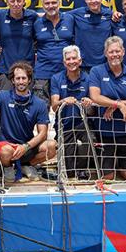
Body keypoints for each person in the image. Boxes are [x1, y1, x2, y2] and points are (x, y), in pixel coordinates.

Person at [0, 61, 56, 182]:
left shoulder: (39, 103)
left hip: (27, 145)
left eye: (24, 78)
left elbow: (42, 134)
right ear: (12, 80)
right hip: (6, 145)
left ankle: (26, 165)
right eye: (17, 78)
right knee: (6, 151)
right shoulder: (2, 96)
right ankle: (7, 167)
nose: (21, 81)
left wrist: (26, 146)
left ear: (29, 80)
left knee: (51, 146)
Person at [88, 36, 126, 181]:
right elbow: (95, 97)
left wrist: (120, 103)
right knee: (108, 177)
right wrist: (118, 105)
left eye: (117, 51)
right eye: (111, 51)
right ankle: (112, 164)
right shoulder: (96, 71)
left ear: (123, 52)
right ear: (105, 53)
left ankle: (121, 164)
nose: (114, 54)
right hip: (105, 132)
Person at [50, 45, 94, 180]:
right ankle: (69, 167)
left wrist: (88, 103)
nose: (71, 61)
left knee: (90, 139)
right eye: (68, 59)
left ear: (80, 61)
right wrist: (64, 101)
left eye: (74, 58)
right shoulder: (56, 78)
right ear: (64, 63)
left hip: (83, 123)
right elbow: (54, 106)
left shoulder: (89, 78)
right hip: (65, 125)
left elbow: (92, 111)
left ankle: (82, 168)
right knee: (69, 172)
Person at [0, 0, 37, 92]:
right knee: (5, 105)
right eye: (12, 1)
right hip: (6, 71)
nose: (16, 4)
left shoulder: (32, 16)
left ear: (24, 2)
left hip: (27, 72)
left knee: (28, 105)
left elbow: (38, 37)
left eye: (19, 1)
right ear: (7, 2)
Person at [33, 0, 75, 103]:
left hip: (66, 73)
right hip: (43, 74)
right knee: (40, 110)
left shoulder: (70, 19)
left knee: (66, 109)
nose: (51, 6)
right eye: (47, 3)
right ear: (42, 5)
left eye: (54, 2)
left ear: (59, 3)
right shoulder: (37, 23)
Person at [70, 0, 115, 69]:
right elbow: (57, 16)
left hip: (104, 66)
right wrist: (37, 15)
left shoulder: (109, 14)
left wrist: (117, 14)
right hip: (82, 66)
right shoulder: (77, 13)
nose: (93, 1)